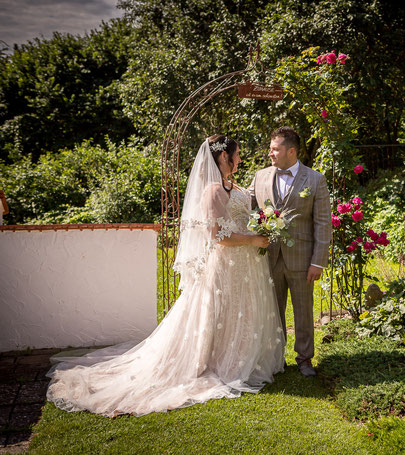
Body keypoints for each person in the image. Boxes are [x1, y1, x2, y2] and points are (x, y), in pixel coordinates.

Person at [46, 135, 285, 417]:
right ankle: (219, 363)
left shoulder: (233, 185)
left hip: (246, 266)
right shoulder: (212, 191)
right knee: (222, 314)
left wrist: (263, 226)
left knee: (240, 313)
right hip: (227, 264)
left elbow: (241, 218)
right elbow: (217, 236)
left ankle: (244, 357)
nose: (240, 159)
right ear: (224, 157)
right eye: (237, 154)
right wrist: (252, 240)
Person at [248, 127, 331, 377]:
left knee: (304, 310)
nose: (270, 153)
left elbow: (323, 223)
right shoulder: (260, 177)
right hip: (268, 256)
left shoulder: (315, 180)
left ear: (291, 151)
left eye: (275, 149)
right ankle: (277, 359)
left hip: (303, 260)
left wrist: (318, 262)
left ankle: (305, 359)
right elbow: (249, 211)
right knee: (273, 311)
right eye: (271, 148)